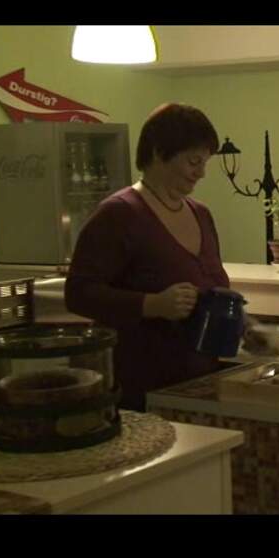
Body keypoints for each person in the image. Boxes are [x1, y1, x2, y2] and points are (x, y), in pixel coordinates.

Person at [65, 103, 228, 412]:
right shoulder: (119, 214)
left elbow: (212, 289)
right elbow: (78, 293)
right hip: (141, 389)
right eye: (193, 161)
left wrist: (244, 325)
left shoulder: (201, 214)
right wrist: (151, 304)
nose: (201, 172)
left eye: (205, 162)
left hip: (198, 384)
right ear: (158, 152)